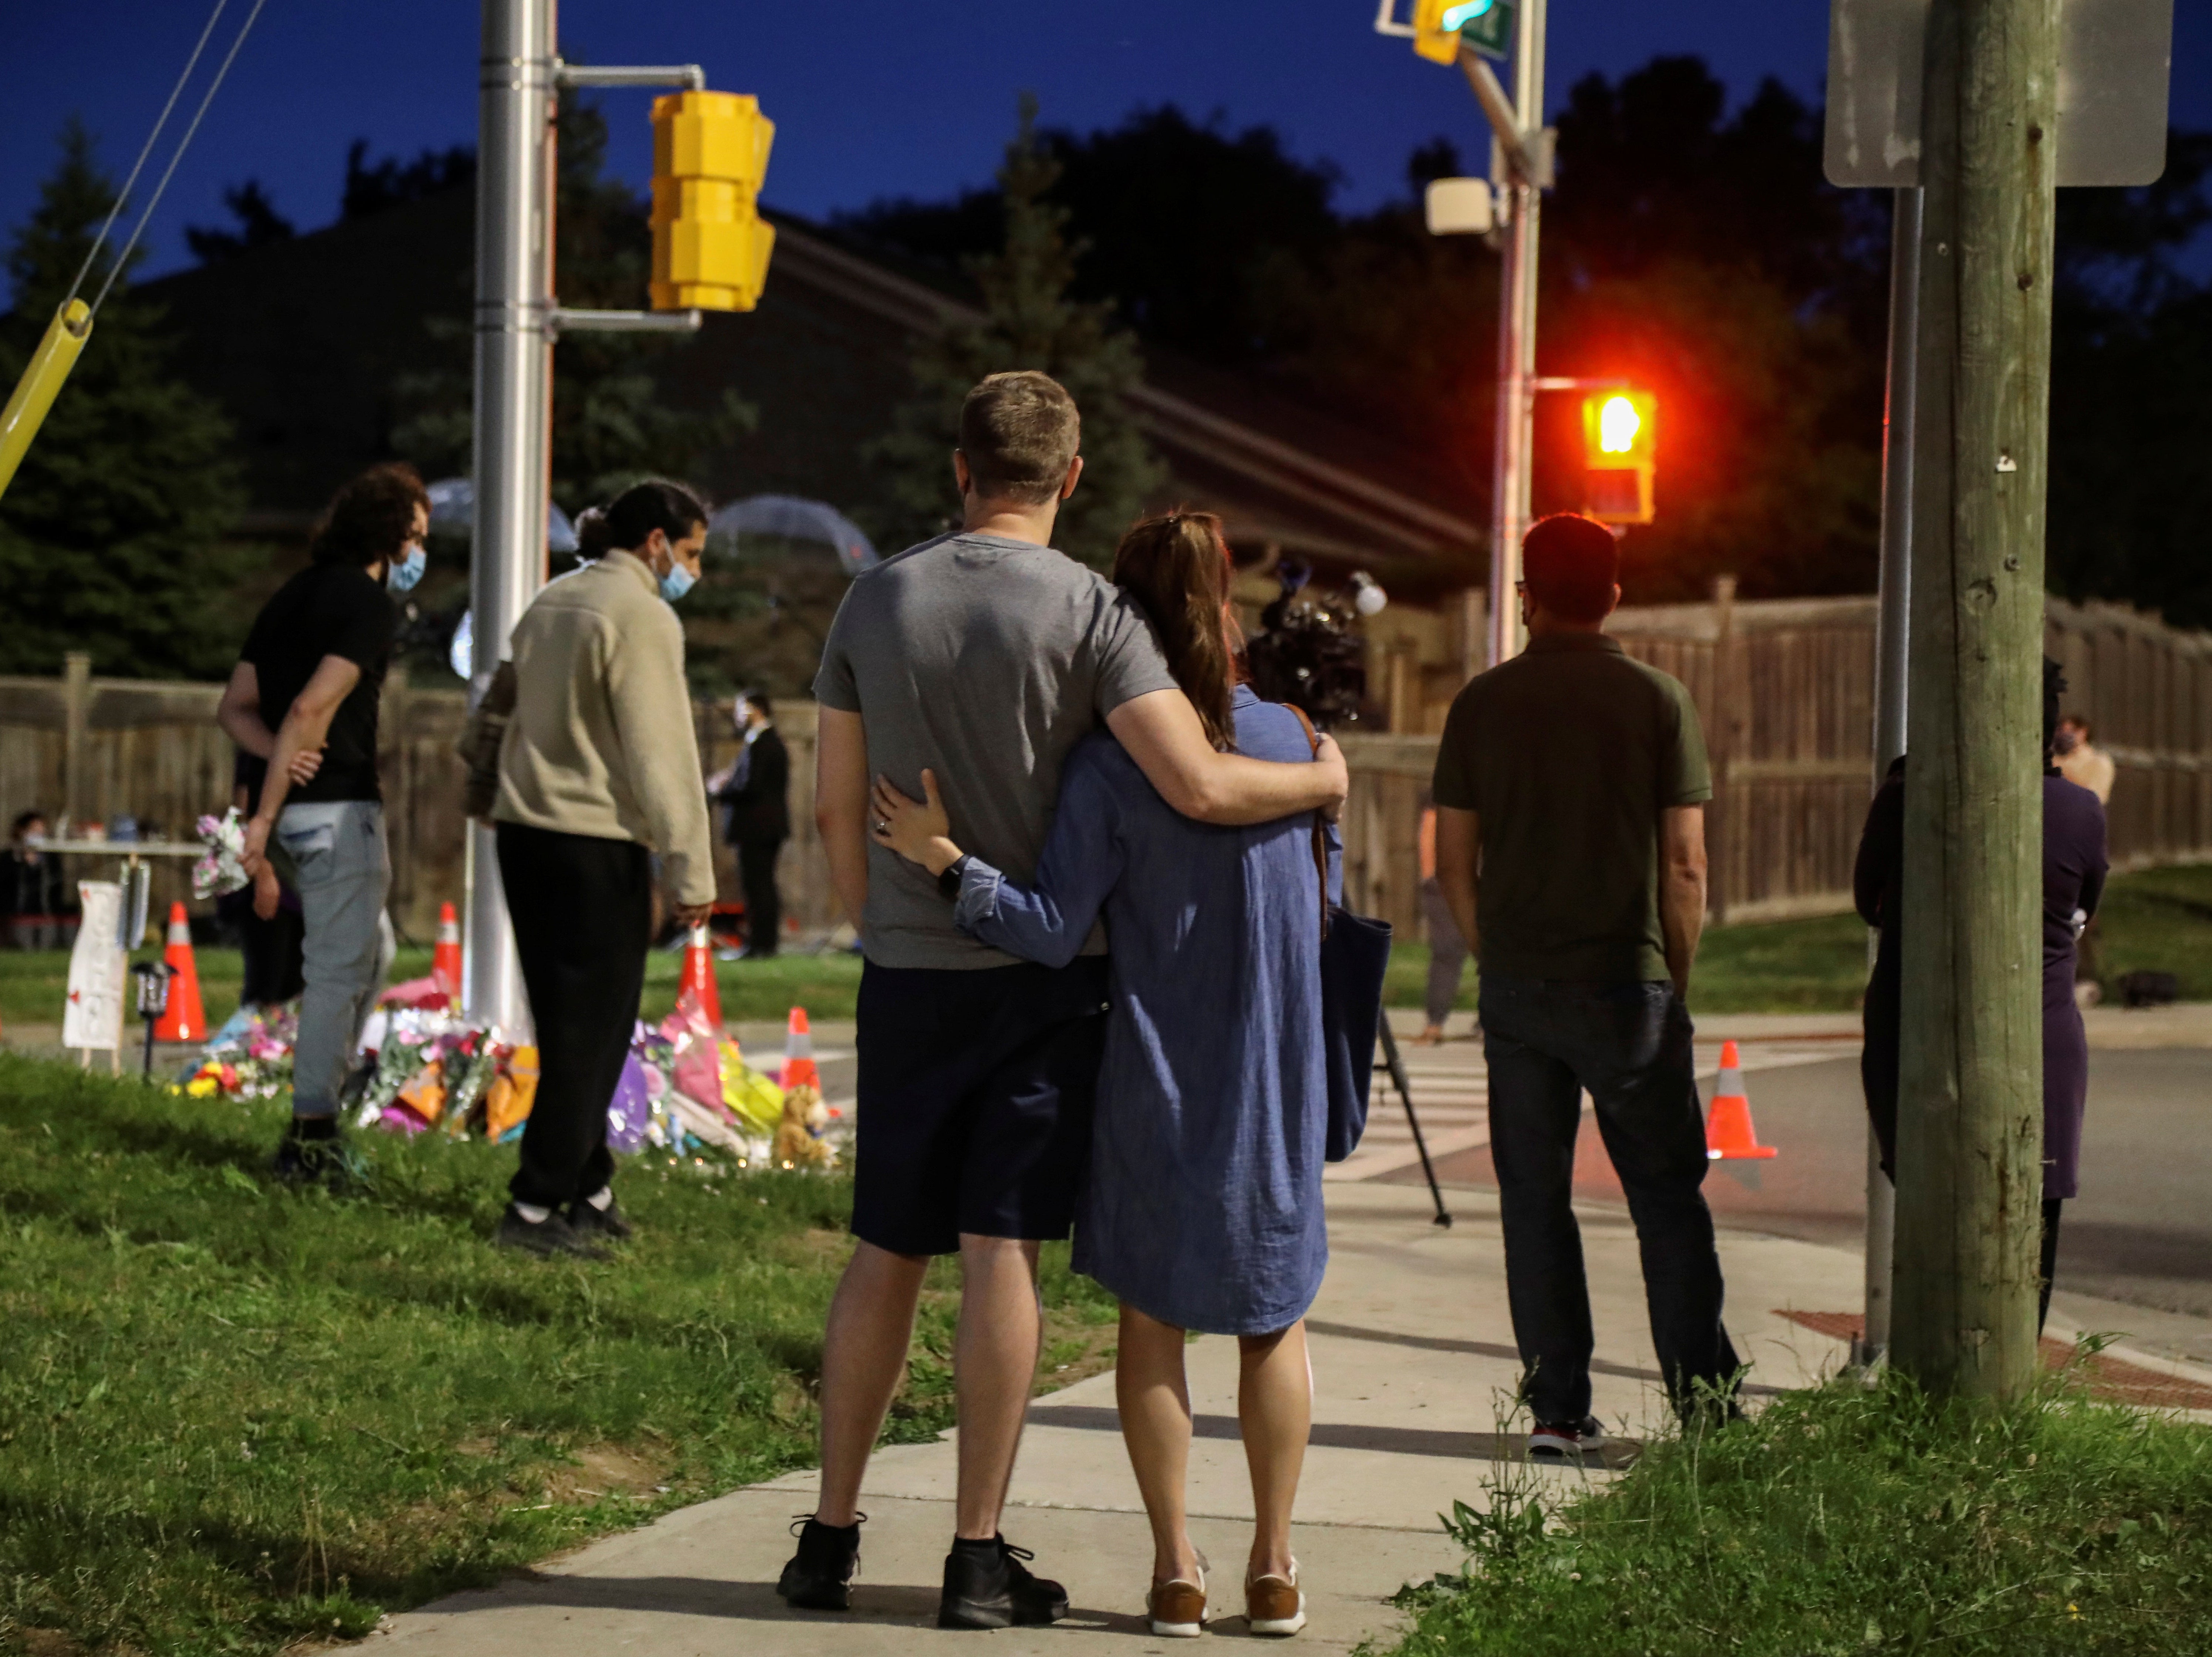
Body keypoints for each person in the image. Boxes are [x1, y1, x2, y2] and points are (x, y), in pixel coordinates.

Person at [779, 371, 1345, 1631]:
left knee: (885, 1249)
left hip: (911, 969)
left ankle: (827, 1539)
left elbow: (832, 802)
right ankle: (976, 1554)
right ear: (1073, 478)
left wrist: (882, 913)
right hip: (1045, 981)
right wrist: (1322, 783)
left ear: (959, 468)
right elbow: (1196, 784)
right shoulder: (1096, 614)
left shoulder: (874, 600)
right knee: (1000, 1252)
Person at [1431, 512, 1740, 1460]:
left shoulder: (1482, 703)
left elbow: (1452, 861)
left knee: (1535, 1201)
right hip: (1625, 984)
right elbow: (1684, 867)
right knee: (1667, 1201)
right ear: (1612, 592)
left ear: (1526, 595)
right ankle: (1704, 1409)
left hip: (1521, 988)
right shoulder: (1658, 701)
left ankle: (1558, 1411)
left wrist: (1492, 954)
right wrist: (1671, 979)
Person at [482, 481, 716, 1258]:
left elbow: (494, 703)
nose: (693, 572)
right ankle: (534, 1205)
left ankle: (589, 1185)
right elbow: (663, 753)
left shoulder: (553, 601)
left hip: (524, 832)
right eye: (689, 554)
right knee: (596, 1028)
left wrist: (483, 784)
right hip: (594, 838)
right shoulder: (642, 615)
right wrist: (691, 872)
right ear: (654, 542)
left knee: (565, 1019)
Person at [1855, 658, 2107, 1332]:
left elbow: (1867, 901)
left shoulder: (1907, 795)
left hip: (1915, 1027)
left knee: (1931, 1206)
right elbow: (2088, 902)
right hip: (2042, 1034)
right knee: (2034, 1220)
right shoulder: (2080, 810)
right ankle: (2015, 1373)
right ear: (2048, 732)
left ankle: (1932, 1366)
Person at [228, 464, 425, 1187]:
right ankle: (311, 1139)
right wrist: (272, 803)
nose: (421, 551)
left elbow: (236, 709)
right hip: (338, 809)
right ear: (395, 535)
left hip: (293, 810)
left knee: (369, 952)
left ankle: (319, 1110)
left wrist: (273, 766)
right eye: (420, 536)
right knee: (341, 973)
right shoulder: (368, 605)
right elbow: (311, 710)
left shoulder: (289, 595)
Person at [708, 688, 789, 958]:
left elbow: (751, 786)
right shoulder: (762, 742)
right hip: (764, 829)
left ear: (755, 710)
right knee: (760, 886)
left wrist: (722, 789)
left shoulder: (764, 743)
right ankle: (763, 943)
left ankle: (760, 944)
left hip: (758, 828)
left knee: (758, 887)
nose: (736, 715)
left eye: (740, 708)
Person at [1414, 796, 1471, 1044]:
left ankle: (1496, 1024)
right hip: (1447, 878)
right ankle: (1435, 1023)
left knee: (1501, 953)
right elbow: (1432, 819)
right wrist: (1431, 875)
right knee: (1447, 951)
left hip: (1494, 874)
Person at [4, 811, 68, 951]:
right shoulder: (8, 859)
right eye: (34, 831)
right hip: (16, 917)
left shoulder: (51, 860)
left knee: (48, 940)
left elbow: (57, 891)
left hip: (47, 916)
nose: (39, 835)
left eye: (42, 832)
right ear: (21, 831)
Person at [2053, 713, 2115, 805]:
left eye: (2072, 730)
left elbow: (2096, 797)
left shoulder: (2099, 761)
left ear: (2084, 732)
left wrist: (2063, 775)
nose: (2065, 735)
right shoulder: (2056, 759)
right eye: (2062, 730)